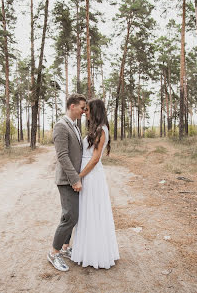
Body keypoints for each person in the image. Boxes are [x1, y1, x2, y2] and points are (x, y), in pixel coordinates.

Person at [71, 98, 120, 269]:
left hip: (91, 175)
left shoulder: (101, 130)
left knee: (92, 211)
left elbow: (95, 159)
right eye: (84, 110)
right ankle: (87, 249)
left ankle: (96, 253)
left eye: (88, 110)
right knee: (86, 212)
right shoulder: (96, 128)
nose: (85, 112)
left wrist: (79, 176)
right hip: (88, 173)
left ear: (96, 111)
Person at [47, 93, 87, 272]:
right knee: (69, 216)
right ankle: (54, 253)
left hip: (74, 179)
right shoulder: (61, 126)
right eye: (82, 107)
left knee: (73, 216)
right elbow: (62, 156)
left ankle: (65, 247)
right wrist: (75, 179)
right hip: (66, 180)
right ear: (72, 106)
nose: (84, 111)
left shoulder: (75, 126)